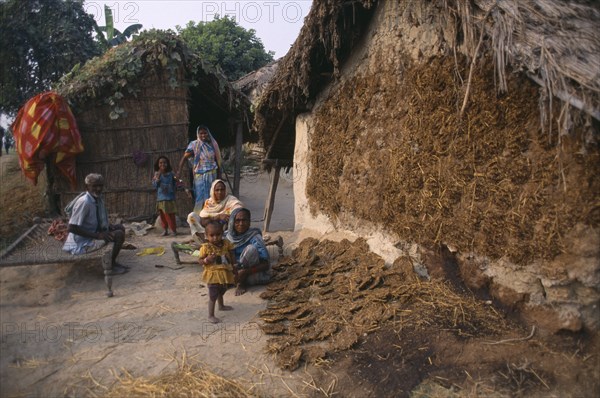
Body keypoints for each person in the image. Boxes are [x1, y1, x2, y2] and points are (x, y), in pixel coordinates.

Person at [62, 173, 127, 275]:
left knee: (120, 227)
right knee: (119, 235)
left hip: (91, 234)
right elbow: (71, 228)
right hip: (81, 243)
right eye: (95, 186)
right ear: (87, 187)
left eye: (100, 186)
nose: (98, 189)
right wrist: (98, 235)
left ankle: (112, 261)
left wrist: (107, 226)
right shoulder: (84, 202)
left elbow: (96, 218)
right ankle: (110, 265)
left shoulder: (96, 198)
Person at [226, 208, 271, 296]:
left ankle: (241, 283)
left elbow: (266, 264)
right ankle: (231, 280)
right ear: (232, 222)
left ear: (249, 222)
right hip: (233, 272)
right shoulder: (227, 237)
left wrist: (245, 272)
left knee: (251, 249)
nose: (241, 224)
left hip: (251, 274)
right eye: (237, 220)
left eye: (244, 220)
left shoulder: (254, 237)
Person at [177, 125, 222, 213]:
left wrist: (219, 175)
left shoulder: (213, 144)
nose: (203, 135)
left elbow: (217, 160)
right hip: (200, 175)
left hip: (212, 174)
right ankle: (198, 216)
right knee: (199, 197)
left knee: (212, 196)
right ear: (198, 134)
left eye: (205, 133)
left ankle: (210, 215)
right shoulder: (194, 145)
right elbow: (184, 158)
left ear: (208, 134)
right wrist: (179, 170)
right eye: (201, 133)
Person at [199, 221, 236, 323]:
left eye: (218, 234)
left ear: (222, 233)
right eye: (212, 235)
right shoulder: (206, 247)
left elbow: (232, 254)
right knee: (213, 295)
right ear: (207, 236)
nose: (215, 237)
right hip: (213, 275)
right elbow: (200, 260)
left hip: (224, 273)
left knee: (222, 290)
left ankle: (221, 305)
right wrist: (207, 260)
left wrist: (234, 266)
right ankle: (210, 315)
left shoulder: (226, 243)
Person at [152, 156, 178, 236]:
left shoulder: (171, 174)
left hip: (170, 198)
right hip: (161, 199)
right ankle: (165, 230)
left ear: (167, 164)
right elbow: (154, 186)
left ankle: (173, 230)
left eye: (164, 162)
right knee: (163, 216)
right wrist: (157, 179)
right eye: (161, 163)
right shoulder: (157, 174)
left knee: (171, 215)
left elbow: (176, 184)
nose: (163, 164)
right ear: (158, 164)